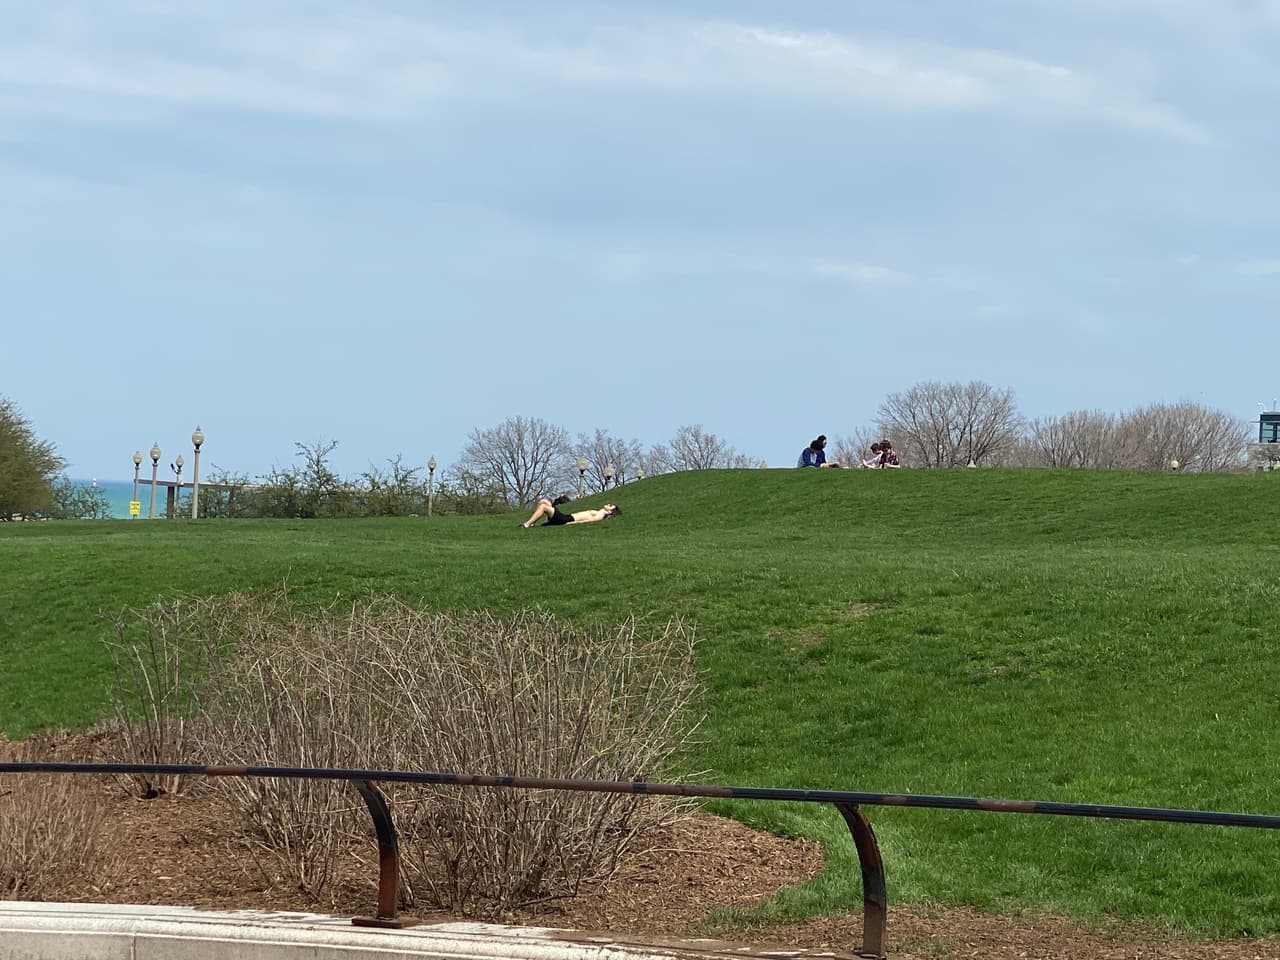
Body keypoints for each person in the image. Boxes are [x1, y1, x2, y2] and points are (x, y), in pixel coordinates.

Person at [521, 498, 621, 528]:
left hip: (566, 519)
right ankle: (535, 522)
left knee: (543, 506)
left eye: (611, 505)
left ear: (610, 511)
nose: (608, 503)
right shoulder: (600, 511)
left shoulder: (601, 514)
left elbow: (590, 520)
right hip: (566, 517)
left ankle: (527, 524)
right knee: (544, 501)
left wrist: (573, 523)